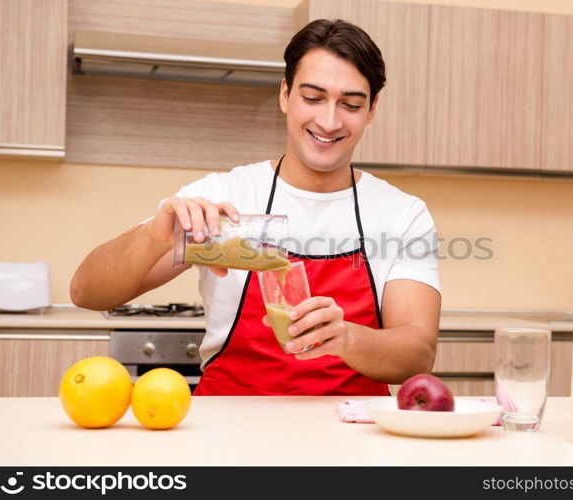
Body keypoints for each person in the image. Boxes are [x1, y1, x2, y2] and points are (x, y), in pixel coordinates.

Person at [70, 19, 441, 396]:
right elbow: (87, 293)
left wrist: (345, 337)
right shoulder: (223, 195)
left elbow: (418, 354)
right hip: (227, 431)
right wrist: (155, 236)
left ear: (372, 109)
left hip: (349, 433)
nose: (329, 121)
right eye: (312, 98)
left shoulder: (402, 214)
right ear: (285, 95)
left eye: (350, 104)